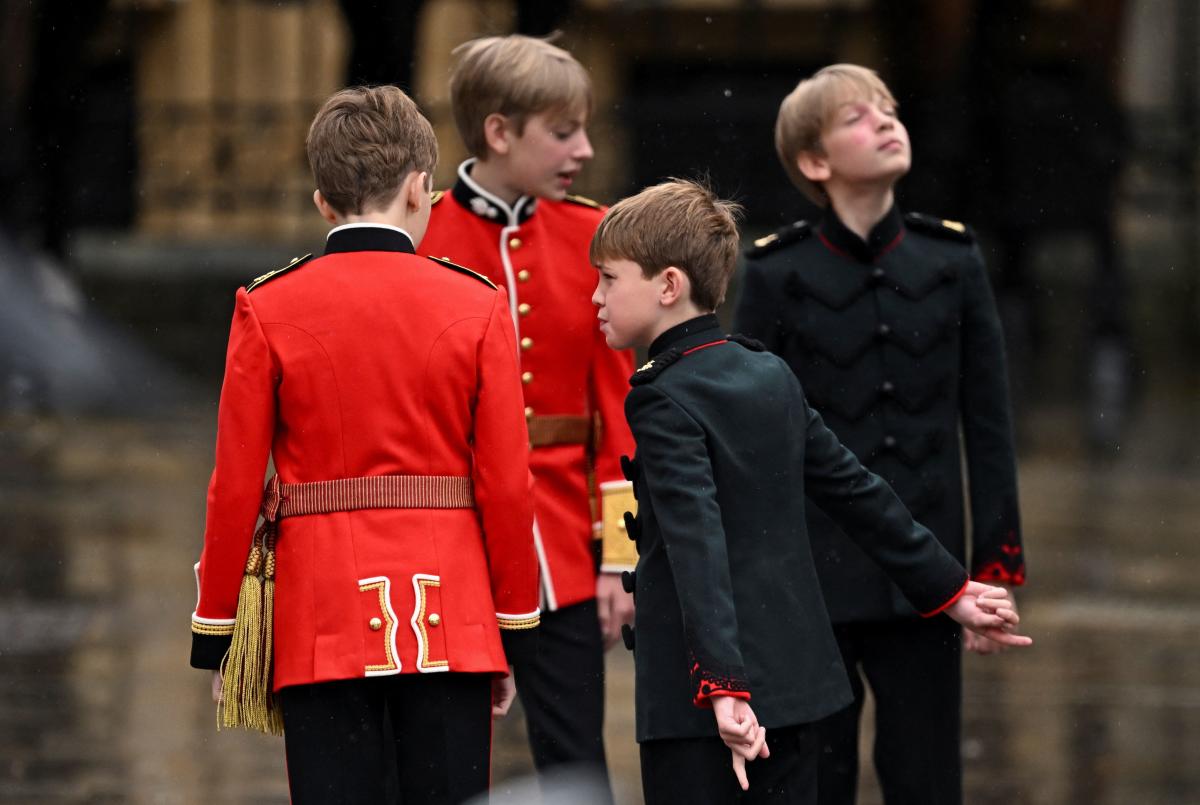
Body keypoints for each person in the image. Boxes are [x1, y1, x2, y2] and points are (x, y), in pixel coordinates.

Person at [589, 178, 1031, 805]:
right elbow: (857, 491)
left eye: (609, 278)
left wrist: (722, 684)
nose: (596, 296)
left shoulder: (662, 396)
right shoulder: (765, 370)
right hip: (796, 688)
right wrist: (949, 588)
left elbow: (697, 547)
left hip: (707, 702)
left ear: (667, 286)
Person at [188, 85, 540, 804]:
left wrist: (219, 629)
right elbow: (507, 482)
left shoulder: (269, 303)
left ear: (322, 201)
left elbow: (232, 485)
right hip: (452, 617)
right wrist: (510, 626)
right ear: (421, 188)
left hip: (321, 617)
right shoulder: (475, 302)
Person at [733, 64, 1026, 805]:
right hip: (814, 576)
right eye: (858, 117)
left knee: (927, 776)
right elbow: (753, 438)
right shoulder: (775, 271)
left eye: (890, 109)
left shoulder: (953, 259)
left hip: (925, 574)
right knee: (816, 777)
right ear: (815, 161)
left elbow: (987, 428)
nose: (887, 121)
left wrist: (992, 567)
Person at [420, 34, 637, 796]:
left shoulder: (594, 235)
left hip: (568, 551)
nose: (583, 147)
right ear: (499, 132)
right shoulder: (423, 237)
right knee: (449, 760)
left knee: (578, 759)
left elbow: (619, 412)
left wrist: (621, 557)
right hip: (454, 542)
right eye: (562, 130)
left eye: (583, 127)